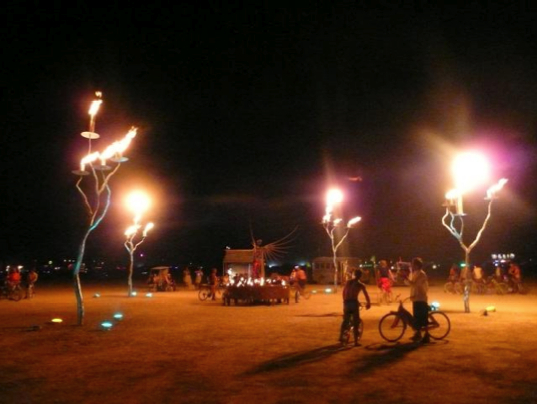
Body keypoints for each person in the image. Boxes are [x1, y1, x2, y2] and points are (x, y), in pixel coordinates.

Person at [339, 268, 371, 346]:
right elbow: (366, 295)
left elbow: (344, 293)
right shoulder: (361, 285)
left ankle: (340, 337)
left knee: (346, 320)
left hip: (346, 303)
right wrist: (368, 303)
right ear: (360, 276)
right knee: (356, 322)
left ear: (354, 274)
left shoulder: (348, 282)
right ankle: (356, 342)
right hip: (353, 303)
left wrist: (345, 301)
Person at [405, 257, 430, 344]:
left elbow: (415, 284)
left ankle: (427, 336)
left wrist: (407, 279)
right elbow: (410, 284)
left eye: (413, 264)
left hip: (421, 298)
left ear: (417, 265)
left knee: (423, 318)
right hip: (415, 297)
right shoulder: (414, 273)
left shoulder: (422, 274)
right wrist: (405, 279)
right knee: (417, 318)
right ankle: (418, 334)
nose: (412, 265)